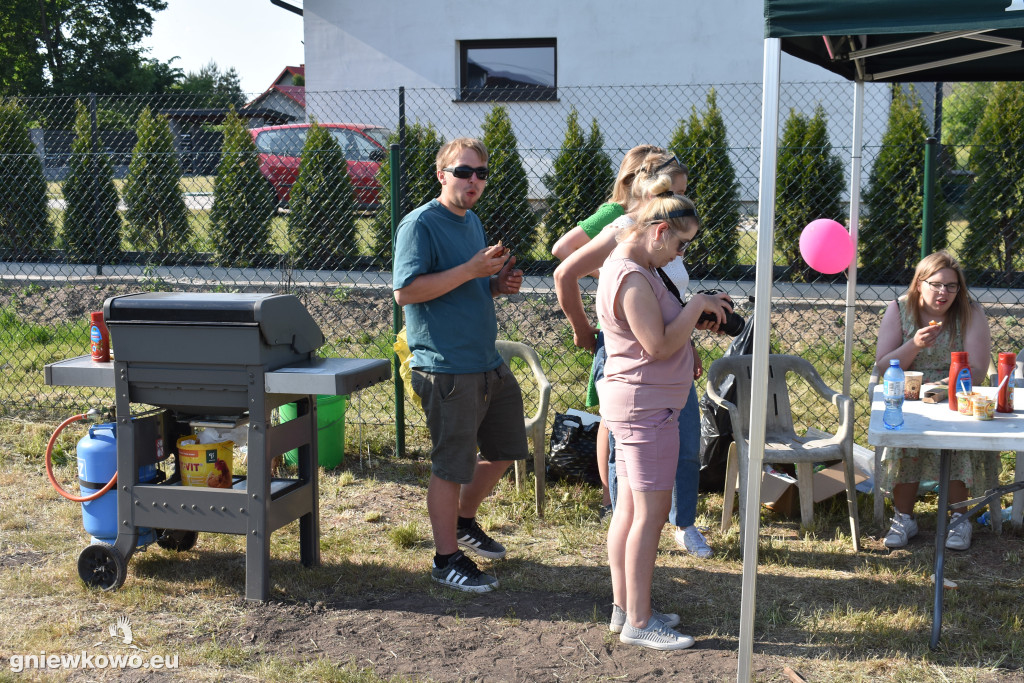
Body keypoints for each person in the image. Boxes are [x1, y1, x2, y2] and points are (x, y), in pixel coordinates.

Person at [553, 150, 718, 559]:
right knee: (625, 452)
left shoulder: (666, 238)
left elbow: (669, 302)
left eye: (684, 193)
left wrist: (688, 342)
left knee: (684, 439)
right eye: (672, 192)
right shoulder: (624, 231)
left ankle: (682, 523)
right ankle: (625, 523)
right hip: (633, 359)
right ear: (649, 189)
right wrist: (583, 329)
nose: (680, 201)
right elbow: (564, 268)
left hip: (669, 355)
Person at [597, 189, 730, 650]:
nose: (680, 254)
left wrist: (697, 312)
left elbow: (660, 331)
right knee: (650, 517)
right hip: (646, 409)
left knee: (630, 511)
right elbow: (655, 345)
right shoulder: (632, 276)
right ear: (658, 232)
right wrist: (695, 306)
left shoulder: (636, 267)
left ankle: (625, 608)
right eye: (680, 243)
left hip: (641, 404)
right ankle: (639, 622)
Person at [393, 137, 528, 592]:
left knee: (506, 449)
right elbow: (406, 292)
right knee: (452, 466)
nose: (474, 181)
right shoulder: (419, 225)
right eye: (463, 171)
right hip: (445, 366)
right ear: (441, 175)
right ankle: (445, 559)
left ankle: (463, 521)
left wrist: (495, 285)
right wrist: (472, 270)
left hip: (485, 361)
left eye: (481, 174)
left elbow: (465, 286)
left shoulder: (471, 221)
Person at [874, 250, 991, 551]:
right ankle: (904, 518)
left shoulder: (970, 312)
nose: (943, 293)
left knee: (956, 442)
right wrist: (914, 345)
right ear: (919, 284)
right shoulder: (899, 309)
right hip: (910, 396)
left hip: (957, 392)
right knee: (905, 441)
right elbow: (884, 366)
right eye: (936, 284)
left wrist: (942, 388)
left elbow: (978, 369)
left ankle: (959, 519)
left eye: (951, 286)